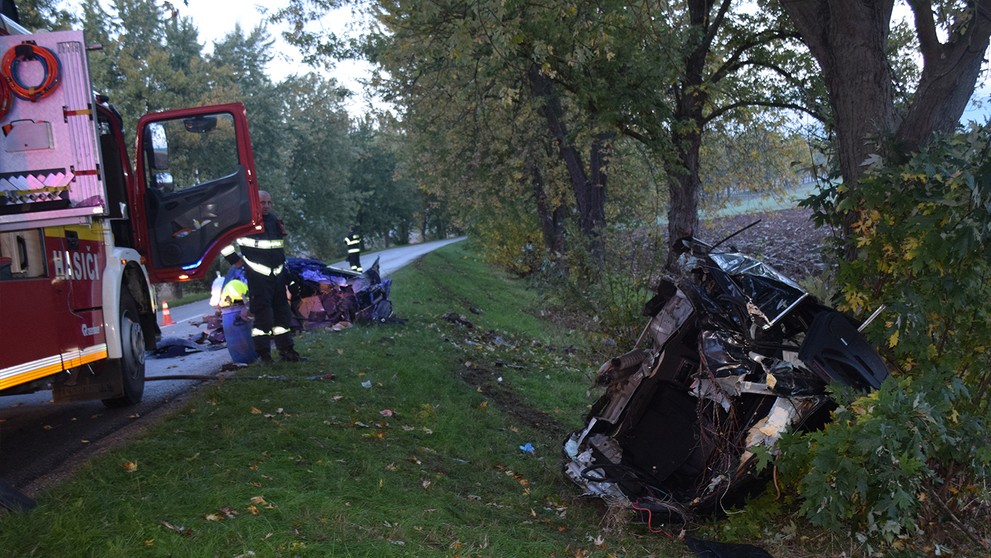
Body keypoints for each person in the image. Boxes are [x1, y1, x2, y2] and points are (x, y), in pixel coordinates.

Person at [221, 190, 301, 363]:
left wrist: (288, 277)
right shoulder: (244, 223)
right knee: (263, 317)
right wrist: (235, 260)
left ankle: (287, 351)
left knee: (282, 315)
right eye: (262, 203)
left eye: (268, 203)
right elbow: (222, 241)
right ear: (254, 204)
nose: (266, 206)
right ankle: (264, 355)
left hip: (277, 276)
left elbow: (279, 250)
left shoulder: (273, 221)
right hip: (258, 278)